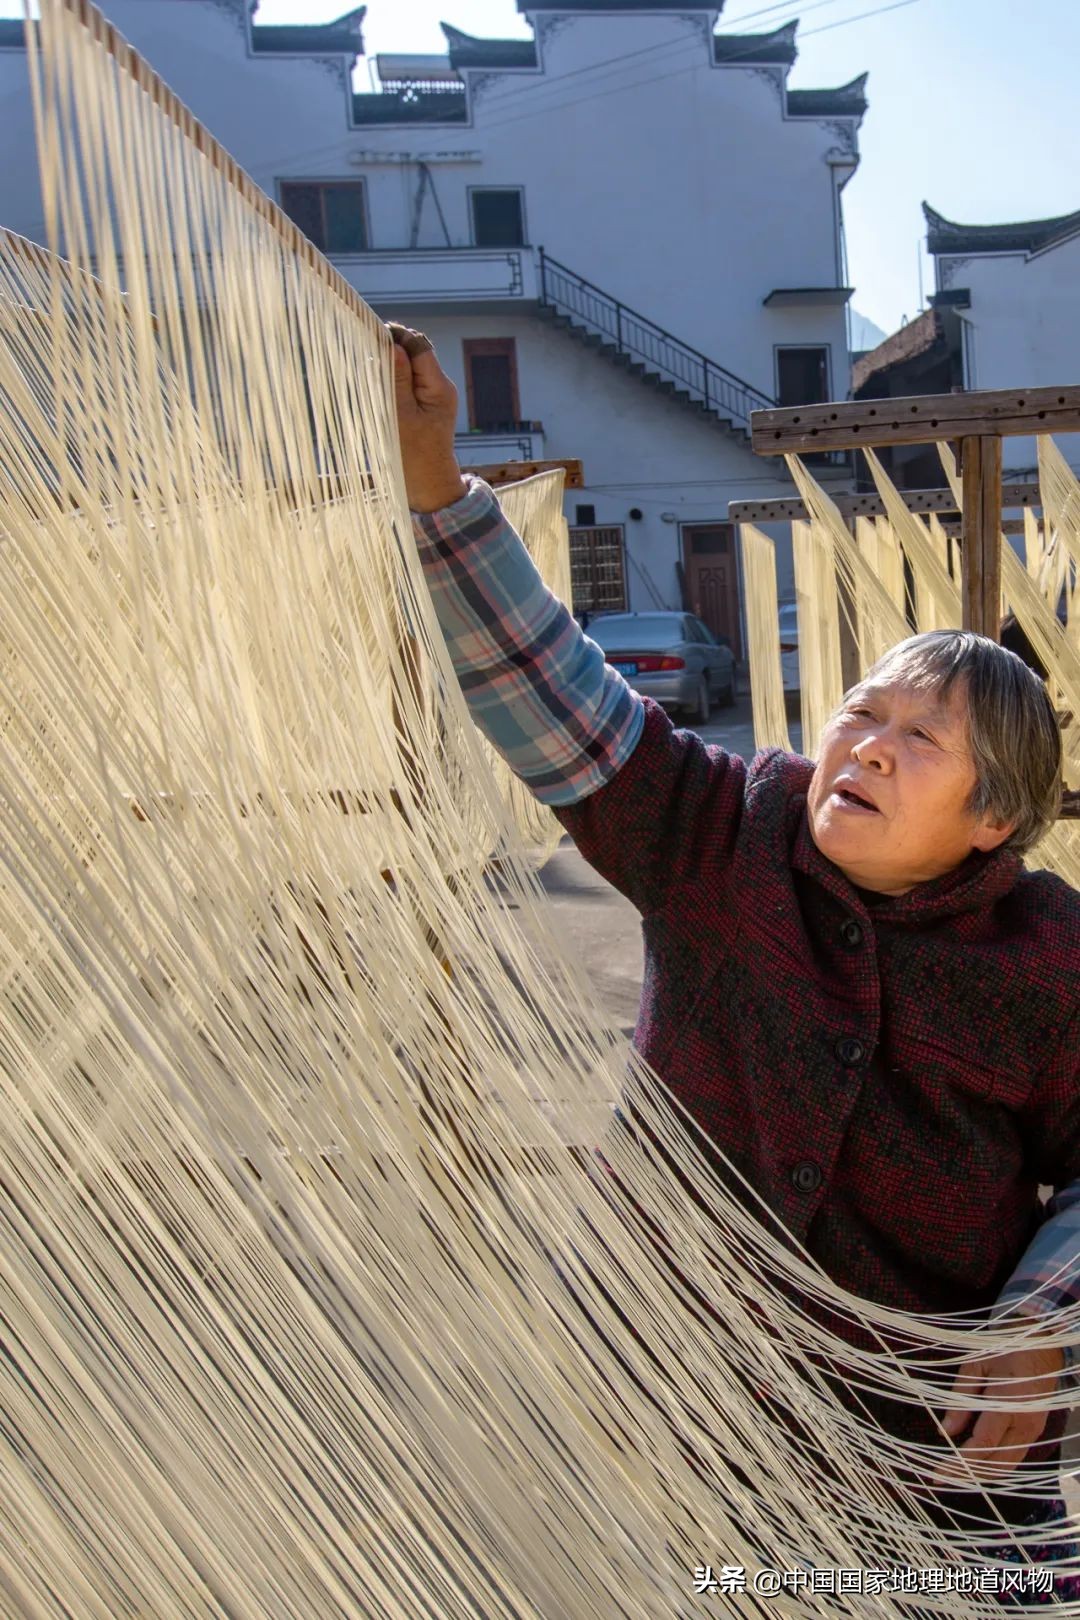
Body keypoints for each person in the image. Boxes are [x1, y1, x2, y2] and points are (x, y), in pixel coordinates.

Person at [390, 324, 1080, 1600]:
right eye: (861, 713)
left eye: (919, 737)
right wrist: (440, 483)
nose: (866, 746)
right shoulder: (722, 831)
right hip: (674, 1403)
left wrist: (1048, 1321)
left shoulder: (1048, 959)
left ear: (997, 819)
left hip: (931, 1437)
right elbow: (558, 699)